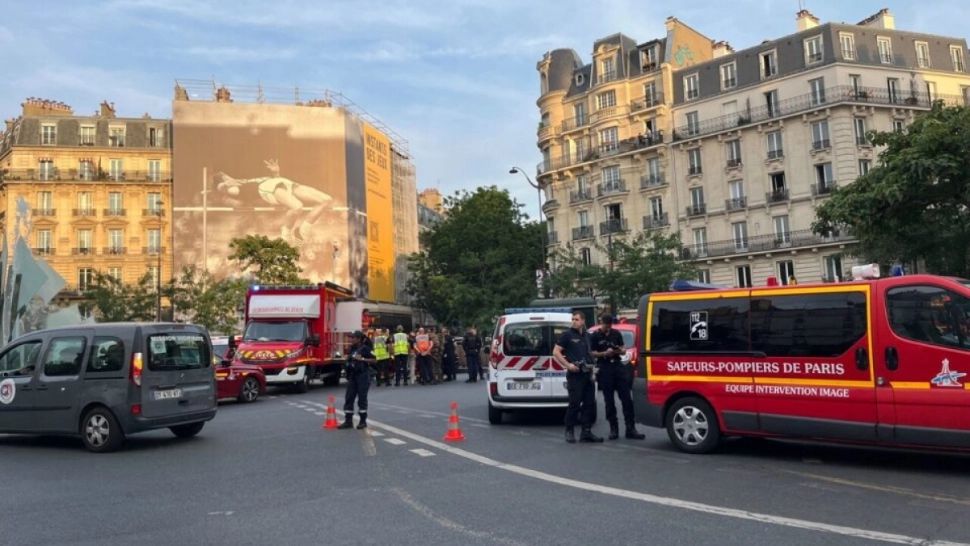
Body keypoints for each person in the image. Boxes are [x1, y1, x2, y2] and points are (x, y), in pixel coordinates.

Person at [591, 314, 645, 440]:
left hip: (618, 367)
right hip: (604, 368)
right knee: (609, 401)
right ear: (601, 323)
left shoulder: (616, 334)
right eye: (605, 326)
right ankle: (613, 429)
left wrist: (620, 350)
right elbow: (592, 353)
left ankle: (630, 429)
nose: (607, 328)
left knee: (626, 399)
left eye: (609, 326)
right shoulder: (595, 336)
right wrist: (604, 353)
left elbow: (623, 348)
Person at [553, 311, 603, 443]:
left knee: (589, 404)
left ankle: (586, 432)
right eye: (573, 319)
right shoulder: (567, 335)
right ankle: (569, 431)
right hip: (575, 375)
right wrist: (568, 365)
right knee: (574, 404)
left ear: (583, 321)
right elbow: (556, 352)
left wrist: (593, 371)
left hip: (588, 374)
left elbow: (590, 354)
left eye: (576, 319)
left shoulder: (587, 336)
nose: (574, 321)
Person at [338, 331, 376, 429]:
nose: (351, 339)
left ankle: (363, 421)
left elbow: (374, 360)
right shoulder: (352, 349)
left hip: (362, 376)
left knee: (362, 399)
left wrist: (362, 359)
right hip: (353, 376)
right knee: (349, 397)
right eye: (351, 337)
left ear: (359, 339)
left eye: (353, 338)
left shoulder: (365, 348)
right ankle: (348, 421)